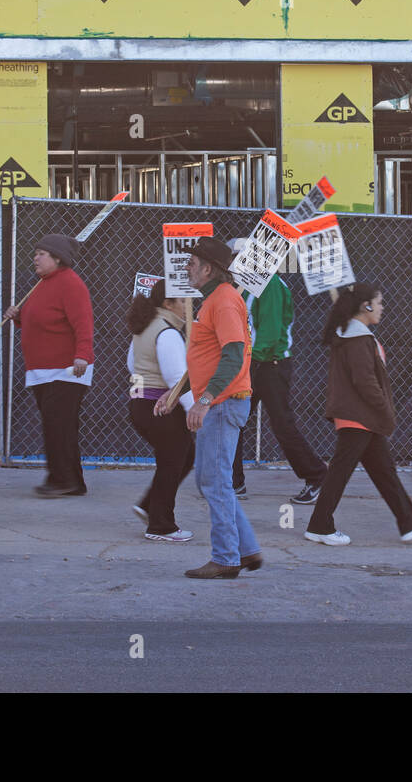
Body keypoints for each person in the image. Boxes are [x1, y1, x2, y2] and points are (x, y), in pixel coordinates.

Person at [305, 283, 412, 546]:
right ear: (366, 306)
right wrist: (385, 410)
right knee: (340, 473)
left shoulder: (354, 335)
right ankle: (319, 525)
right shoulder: (358, 339)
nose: (382, 308)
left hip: (361, 416)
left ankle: (410, 521)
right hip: (359, 416)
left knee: (383, 471)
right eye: (378, 303)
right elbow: (365, 381)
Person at [158, 236, 260, 579]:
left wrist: (203, 401)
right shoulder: (215, 300)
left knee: (214, 483)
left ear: (208, 269)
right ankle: (245, 548)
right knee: (212, 482)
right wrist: (176, 393)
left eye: (192, 263)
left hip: (222, 404)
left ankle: (227, 557)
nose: (186, 268)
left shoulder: (224, 301)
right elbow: (207, 359)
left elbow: (232, 356)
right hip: (219, 403)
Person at [228, 243, 328, 505]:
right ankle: (233, 482)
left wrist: (249, 362)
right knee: (235, 419)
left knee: (281, 424)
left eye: (237, 258)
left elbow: (270, 333)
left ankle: (317, 475)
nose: (233, 265)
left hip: (269, 364)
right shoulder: (247, 287)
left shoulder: (269, 284)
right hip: (256, 363)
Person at [4, 234, 94, 497]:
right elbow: (40, 319)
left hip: (65, 370)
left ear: (57, 258)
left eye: (41, 254)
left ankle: (62, 480)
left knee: (58, 426)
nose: (35, 258)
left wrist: (82, 354)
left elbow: (83, 322)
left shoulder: (70, 283)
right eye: (36, 253)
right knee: (57, 426)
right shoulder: (42, 284)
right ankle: (71, 481)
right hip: (44, 371)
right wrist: (18, 317)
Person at [126, 280, 195, 542]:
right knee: (172, 461)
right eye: (183, 301)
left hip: (141, 405)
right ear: (168, 303)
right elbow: (177, 379)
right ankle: (161, 526)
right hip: (160, 408)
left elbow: (132, 364)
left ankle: (149, 506)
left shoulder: (146, 326)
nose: (188, 306)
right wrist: (195, 410)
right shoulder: (167, 332)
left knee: (183, 456)